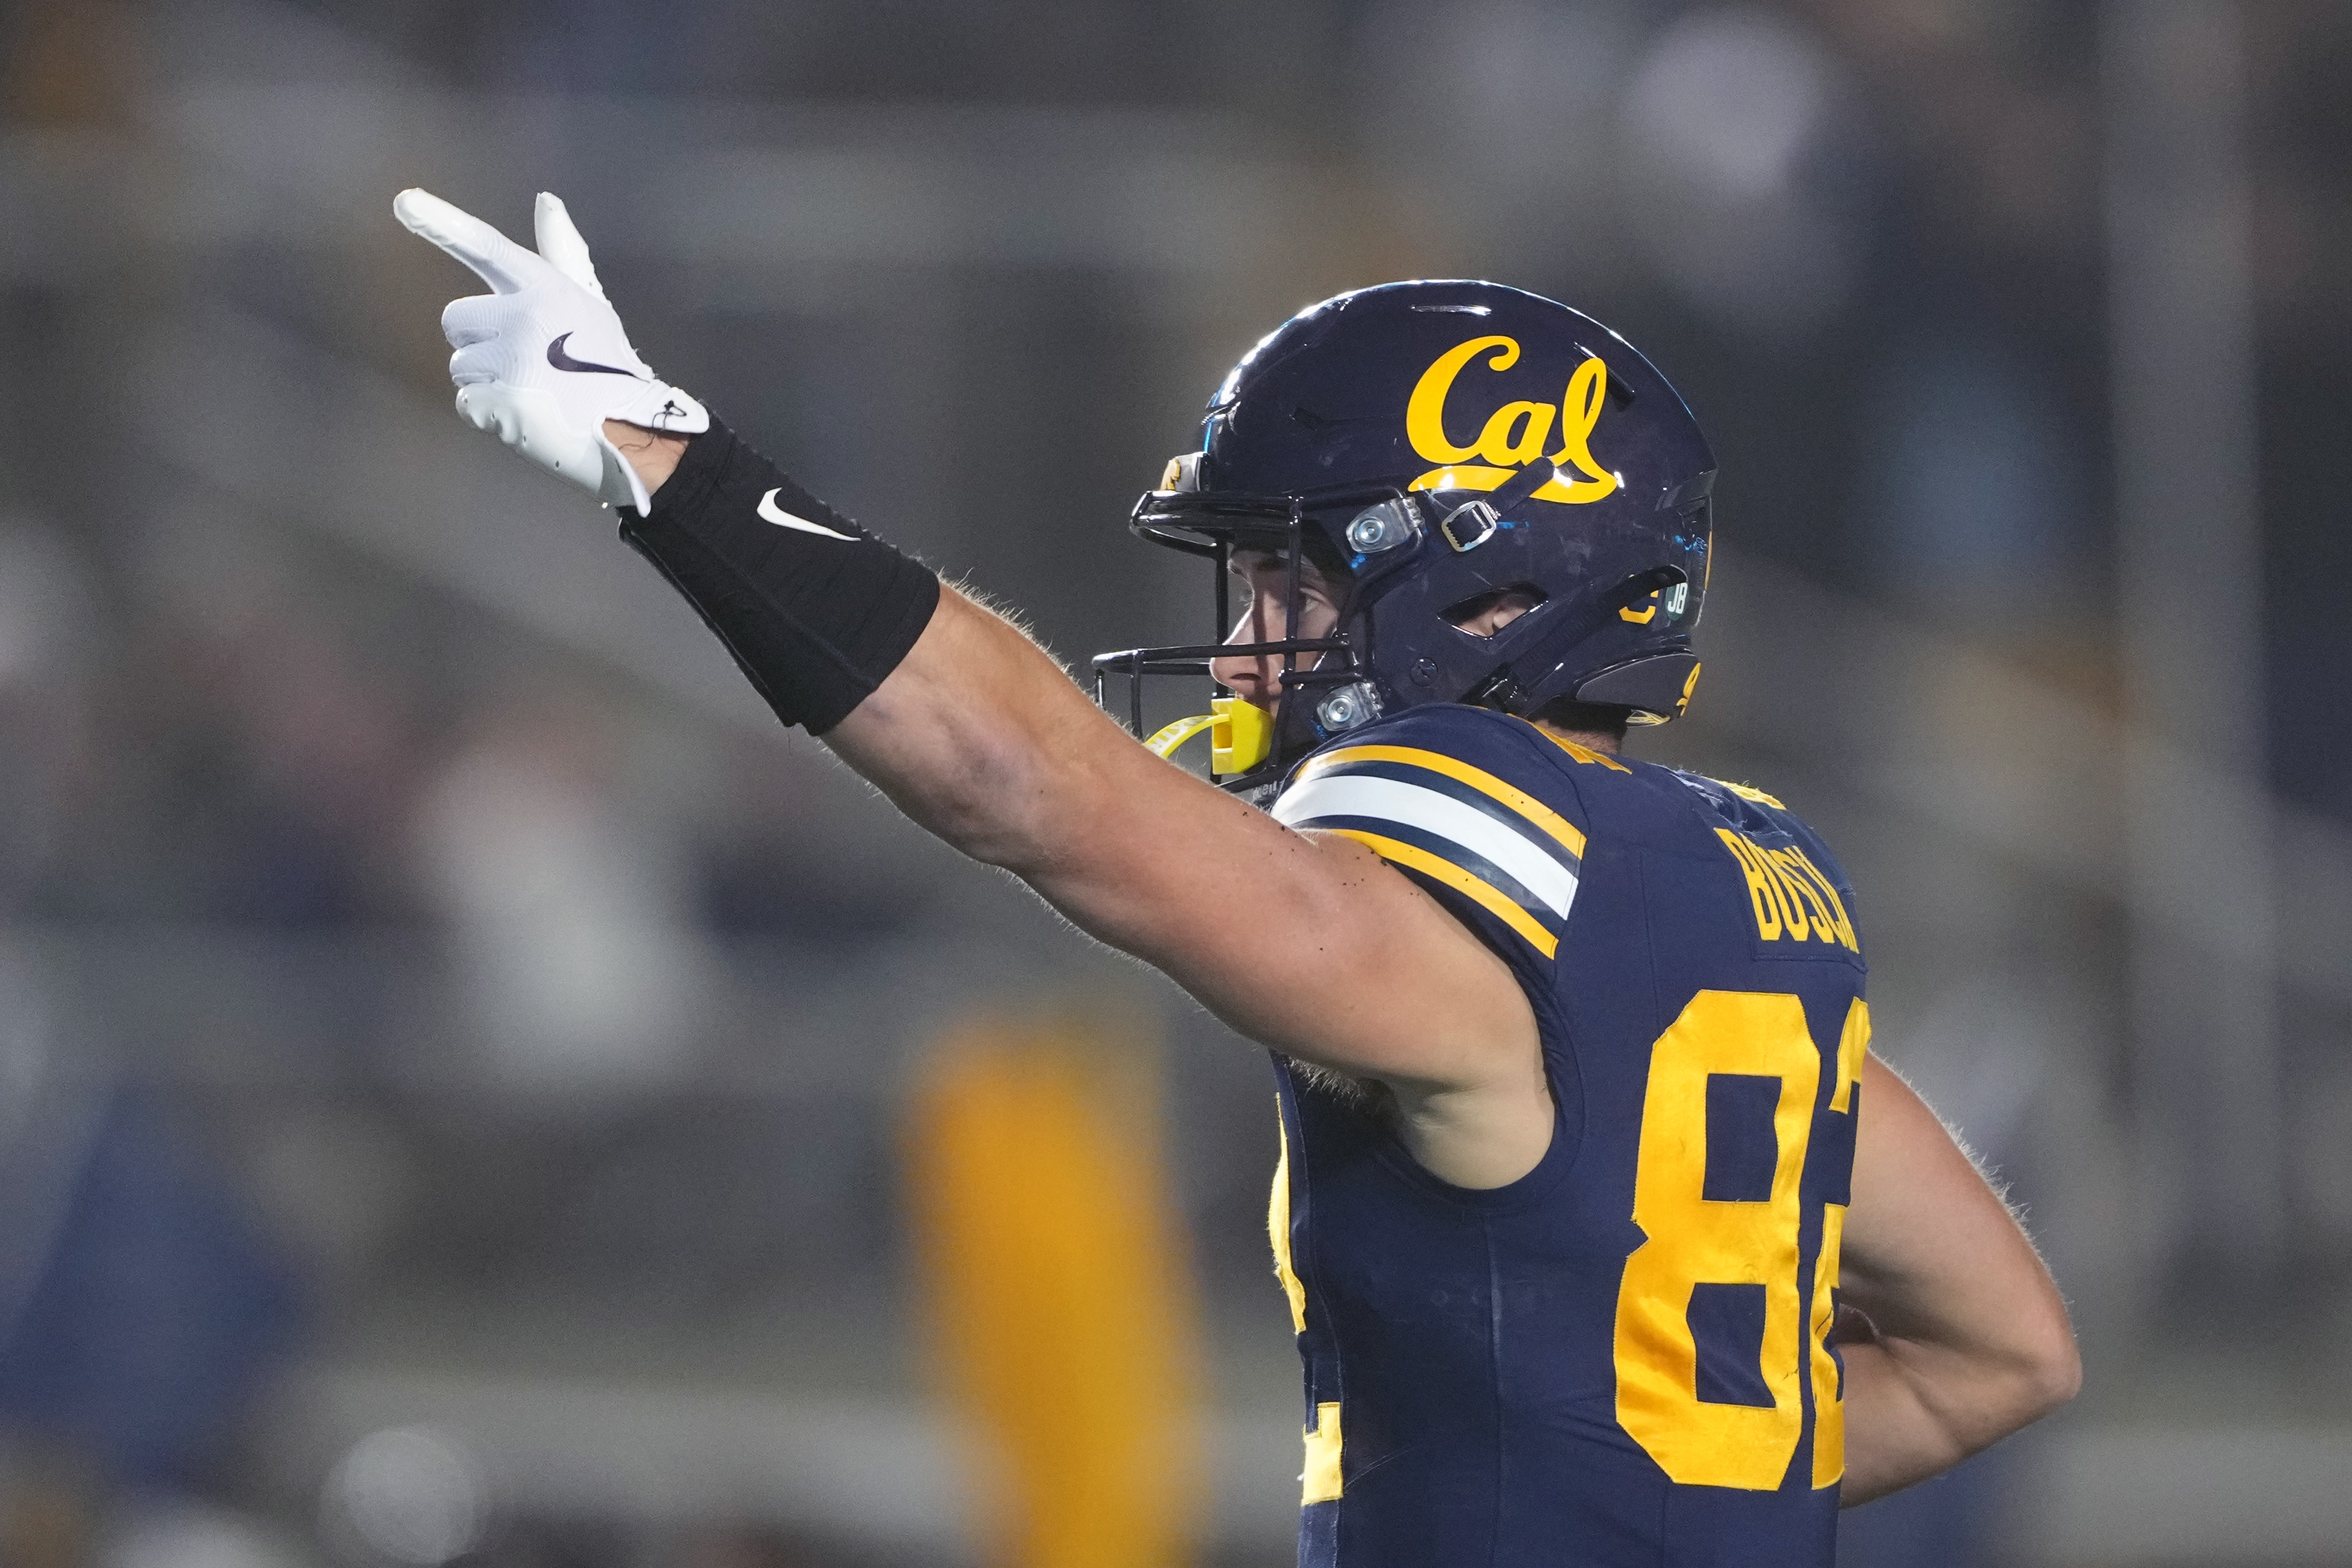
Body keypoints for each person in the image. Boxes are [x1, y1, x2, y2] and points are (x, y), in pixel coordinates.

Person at [394, 188, 2080, 1566]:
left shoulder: (1466, 882)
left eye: (1293, 585)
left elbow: (1029, 786)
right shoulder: (1725, 882)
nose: (1242, 651)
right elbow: (2004, 1351)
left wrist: (664, 455)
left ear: (1494, 596)